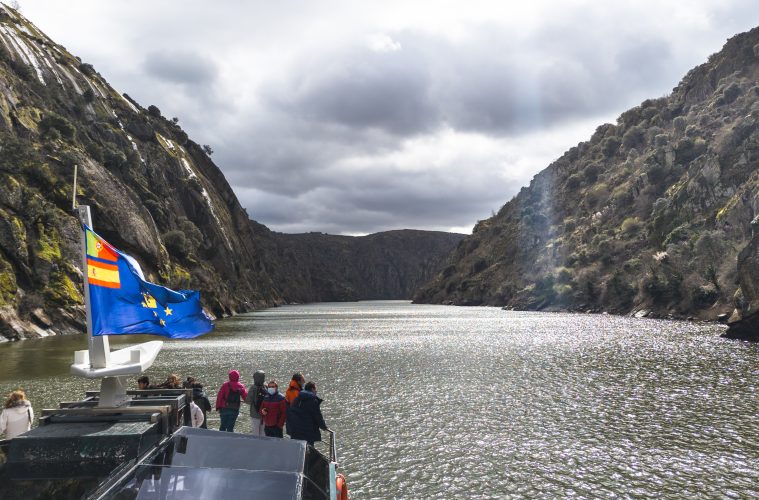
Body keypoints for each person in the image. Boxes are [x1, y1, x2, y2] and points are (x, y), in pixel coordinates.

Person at [286, 381, 329, 446]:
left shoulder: (297, 399)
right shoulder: (313, 401)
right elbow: (317, 416)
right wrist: (324, 427)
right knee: (309, 450)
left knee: (298, 449)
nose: (316, 391)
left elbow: (291, 412)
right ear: (312, 389)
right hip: (307, 432)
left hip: (295, 430)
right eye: (315, 389)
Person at [244, 370, 267, 436]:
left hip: (255, 414)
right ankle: (263, 445)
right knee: (263, 432)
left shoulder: (253, 388)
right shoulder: (266, 387)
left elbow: (248, 401)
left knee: (255, 432)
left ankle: (256, 445)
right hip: (264, 414)